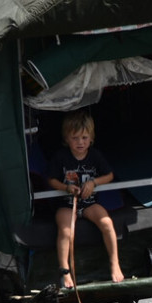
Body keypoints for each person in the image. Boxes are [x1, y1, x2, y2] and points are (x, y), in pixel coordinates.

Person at [47, 111, 125, 288]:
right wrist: (66, 187)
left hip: (89, 204)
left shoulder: (95, 155)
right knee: (66, 231)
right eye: (75, 138)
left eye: (84, 137)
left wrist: (93, 182)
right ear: (66, 139)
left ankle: (115, 264)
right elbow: (51, 180)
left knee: (107, 223)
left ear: (91, 138)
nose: (80, 142)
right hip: (66, 204)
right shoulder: (61, 157)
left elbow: (109, 175)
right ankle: (65, 271)